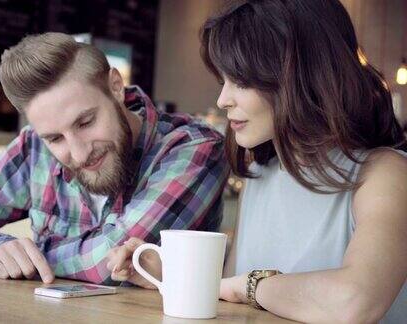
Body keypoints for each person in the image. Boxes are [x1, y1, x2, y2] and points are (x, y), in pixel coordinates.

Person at [107, 1, 407, 322]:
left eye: (242, 81)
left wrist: (246, 287)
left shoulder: (386, 175)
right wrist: (174, 273)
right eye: (223, 80)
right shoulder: (260, 174)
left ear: (304, 75)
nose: (223, 100)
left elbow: (355, 301)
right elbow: (237, 303)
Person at [0, 32, 229, 286]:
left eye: (85, 122)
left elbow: (110, 262)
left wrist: (34, 254)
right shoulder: (34, 147)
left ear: (116, 86)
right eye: (55, 138)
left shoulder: (194, 148)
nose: (78, 153)